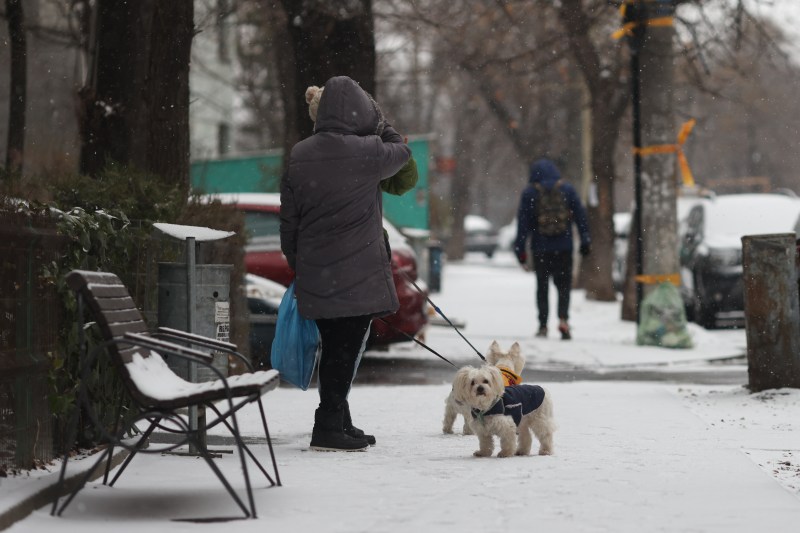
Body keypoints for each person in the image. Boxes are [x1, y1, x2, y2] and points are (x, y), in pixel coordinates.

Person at [280, 76, 413, 452]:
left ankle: (341, 421)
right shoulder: (369, 151)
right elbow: (401, 151)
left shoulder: (300, 154)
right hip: (356, 274)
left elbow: (289, 220)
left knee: (335, 346)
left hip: (316, 270)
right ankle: (327, 427)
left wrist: (298, 263)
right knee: (345, 349)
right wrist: (380, 123)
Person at [513, 158, 591, 340]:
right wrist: (585, 239)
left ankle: (542, 325)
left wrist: (521, 251)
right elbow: (581, 216)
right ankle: (563, 320)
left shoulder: (530, 193)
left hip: (541, 248)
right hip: (564, 247)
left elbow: (522, 224)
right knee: (563, 286)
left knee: (542, 286)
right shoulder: (567, 189)